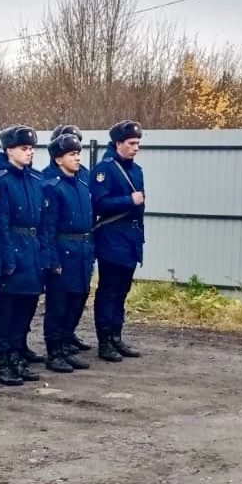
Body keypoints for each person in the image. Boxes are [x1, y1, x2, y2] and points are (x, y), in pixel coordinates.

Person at [0, 125, 50, 386]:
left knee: (26, 307)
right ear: (9, 150)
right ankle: (2, 360)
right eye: (24, 148)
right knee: (6, 310)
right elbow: (0, 225)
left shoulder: (35, 179)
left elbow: (43, 222)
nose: (29, 152)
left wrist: (44, 255)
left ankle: (17, 353)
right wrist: (6, 259)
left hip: (32, 250)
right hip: (13, 247)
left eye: (31, 148)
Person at [91, 120, 146, 363]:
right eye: (131, 143)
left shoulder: (136, 170)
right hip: (112, 237)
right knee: (109, 290)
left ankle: (116, 336)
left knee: (122, 290)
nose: (136, 148)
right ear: (118, 143)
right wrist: (128, 200)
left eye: (138, 143)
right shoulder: (105, 170)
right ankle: (104, 341)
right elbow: (99, 203)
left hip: (131, 239)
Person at [41, 131, 95, 374]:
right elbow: (49, 227)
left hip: (82, 251)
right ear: (58, 159)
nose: (77, 158)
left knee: (77, 300)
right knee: (58, 305)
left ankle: (65, 345)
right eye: (72, 154)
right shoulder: (53, 187)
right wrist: (53, 259)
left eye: (78, 154)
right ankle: (54, 351)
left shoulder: (82, 185)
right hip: (64, 251)